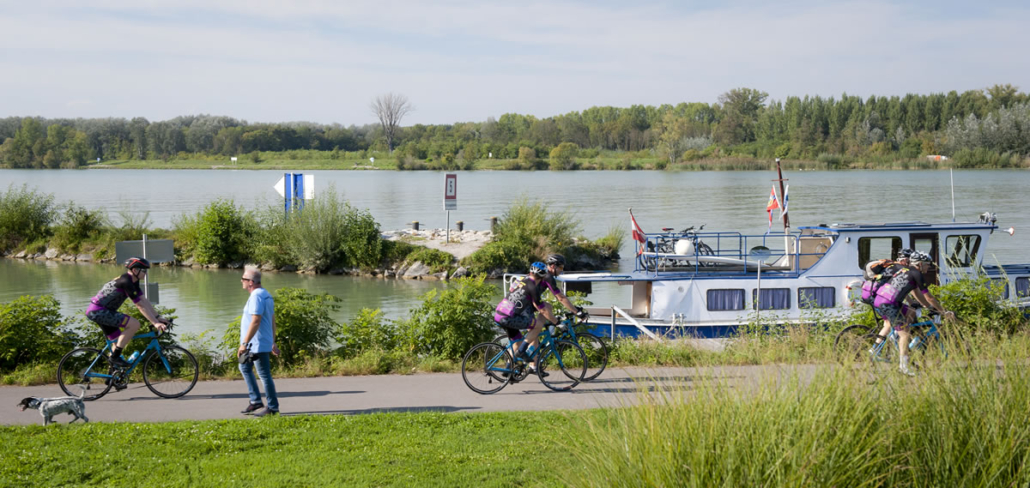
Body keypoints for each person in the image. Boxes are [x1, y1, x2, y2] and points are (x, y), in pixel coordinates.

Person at [85, 257, 169, 381]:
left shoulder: (133, 281)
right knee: (134, 324)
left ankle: (111, 377)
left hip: (100, 311)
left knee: (117, 342)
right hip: (99, 311)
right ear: (135, 270)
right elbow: (139, 305)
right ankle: (115, 358)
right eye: (143, 270)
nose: (146, 273)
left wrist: (157, 317)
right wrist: (155, 323)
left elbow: (143, 300)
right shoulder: (126, 282)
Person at [871, 250, 953, 375]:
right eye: (927, 265)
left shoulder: (906, 270)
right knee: (905, 334)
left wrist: (928, 307)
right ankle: (903, 366)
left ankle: (895, 336)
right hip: (889, 303)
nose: (928, 267)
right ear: (920, 264)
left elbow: (917, 293)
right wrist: (943, 312)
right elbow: (929, 297)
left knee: (910, 313)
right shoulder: (917, 274)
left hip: (881, 300)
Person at [493, 262, 558, 373]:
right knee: (537, 325)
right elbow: (542, 309)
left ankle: (508, 371)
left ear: (530, 272)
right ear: (543, 277)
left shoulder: (521, 280)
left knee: (517, 341)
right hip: (508, 318)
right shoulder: (533, 287)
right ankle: (522, 351)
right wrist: (557, 323)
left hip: (499, 314)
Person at [238, 267, 280, 417]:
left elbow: (256, 320)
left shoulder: (257, 296)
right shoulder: (266, 294)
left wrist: (244, 343)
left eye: (243, 279)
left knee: (264, 375)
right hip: (256, 343)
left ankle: (273, 408)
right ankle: (255, 400)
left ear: (251, 282)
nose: (241, 281)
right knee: (244, 367)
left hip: (257, 344)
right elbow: (272, 320)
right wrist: (273, 341)